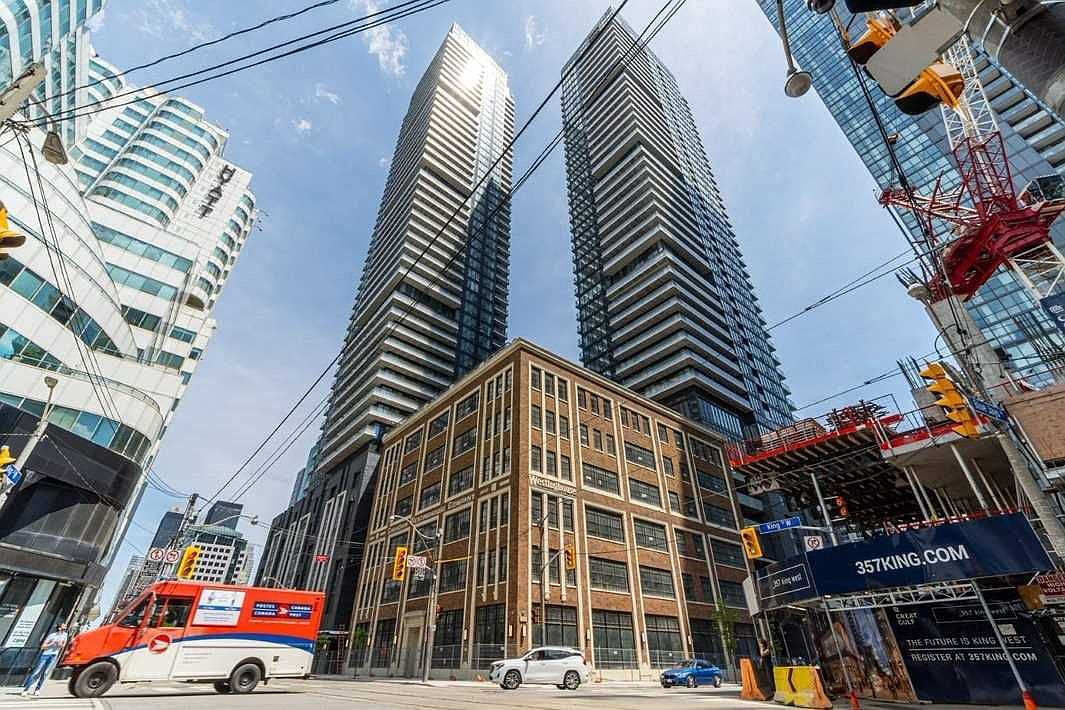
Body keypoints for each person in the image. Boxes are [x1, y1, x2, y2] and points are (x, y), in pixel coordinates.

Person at [20, 622, 69, 697]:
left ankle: (37, 689)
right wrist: (52, 643)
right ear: (59, 628)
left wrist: (60, 645)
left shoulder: (65, 635)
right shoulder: (52, 635)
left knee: (45, 673)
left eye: (65, 626)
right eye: (63, 626)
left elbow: (63, 645)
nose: (65, 627)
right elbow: (43, 647)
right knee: (37, 671)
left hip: (54, 655)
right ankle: (26, 689)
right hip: (45, 655)